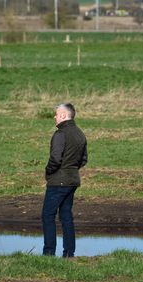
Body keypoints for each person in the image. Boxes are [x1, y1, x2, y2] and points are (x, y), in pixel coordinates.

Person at [42, 103, 88, 258]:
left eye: (56, 114)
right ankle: (69, 253)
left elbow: (55, 159)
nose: (54, 117)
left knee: (48, 216)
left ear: (63, 115)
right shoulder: (80, 133)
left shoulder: (61, 133)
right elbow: (84, 159)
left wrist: (48, 171)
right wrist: (71, 169)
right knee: (66, 216)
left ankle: (48, 253)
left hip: (58, 182)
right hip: (72, 180)